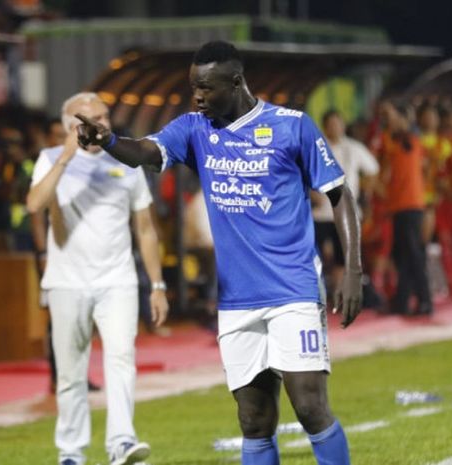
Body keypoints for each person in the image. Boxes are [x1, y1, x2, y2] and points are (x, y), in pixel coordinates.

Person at [75, 41, 362, 465]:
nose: (198, 97)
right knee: (253, 419)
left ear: (236, 81)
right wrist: (110, 139)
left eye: (206, 88)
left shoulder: (291, 126)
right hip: (236, 300)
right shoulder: (194, 129)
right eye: (194, 87)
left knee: (309, 406)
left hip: (293, 289)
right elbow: (144, 153)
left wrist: (353, 268)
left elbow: (340, 196)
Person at [26, 92, 169, 465]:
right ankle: (71, 451)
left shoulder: (126, 160)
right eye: (89, 117)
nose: (99, 123)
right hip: (66, 281)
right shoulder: (49, 159)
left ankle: (122, 442)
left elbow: (146, 228)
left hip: (118, 280)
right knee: (71, 371)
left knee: (122, 359)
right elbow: (34, 205)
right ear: (68, 125)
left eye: (104, 115)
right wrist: (68, 155)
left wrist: (157, 284)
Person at [313, 109, 379, 303]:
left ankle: (339, 298)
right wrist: (311, 193)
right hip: (320, 214)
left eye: (338, 123)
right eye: (331, 123)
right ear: (324, 126)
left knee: (344, 258)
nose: (335, 127)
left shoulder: (355, 148)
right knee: (316, 257)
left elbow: (373, 171)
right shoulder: (315, 148)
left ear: (343, 124)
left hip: (346, 213)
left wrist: (364, 195)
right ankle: (318, 297)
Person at [379, 101, 432, 315]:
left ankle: (425, 301)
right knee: (403, 256)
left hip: (410, 205)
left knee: (413, 255)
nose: (390, 120)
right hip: (400, 206)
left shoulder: (411, 140)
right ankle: (401, 301)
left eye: (393, 116)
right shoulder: (392, 142)